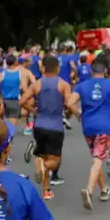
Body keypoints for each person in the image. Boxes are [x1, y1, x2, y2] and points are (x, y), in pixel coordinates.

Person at [69, 58, 110, 209]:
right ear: (105, 71)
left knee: (96, 157)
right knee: (98, 159)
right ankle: (89, 190)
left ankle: (104, 190)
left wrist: (78, 114)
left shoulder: (81, 86)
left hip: (87, 126)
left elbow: (69, 103)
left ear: (92, 71)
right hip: (104, 126)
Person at [23, 56, 71, 200]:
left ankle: (46, 190)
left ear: (43, 68)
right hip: (55, 126)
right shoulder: (63, 84)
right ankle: (43, 166)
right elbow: (69, 103)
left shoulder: (37, 84)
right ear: (58, 68)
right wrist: (69, 114)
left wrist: (33, 111)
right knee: (54, 161)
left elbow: (22, 101)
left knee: (43, 155)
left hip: (39, 125)